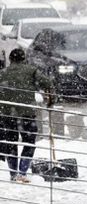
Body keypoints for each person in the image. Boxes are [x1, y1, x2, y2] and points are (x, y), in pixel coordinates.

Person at [0, 48, 53, 183]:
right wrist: (50, 100)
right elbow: (48, 83)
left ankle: (13, 173)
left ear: (10, 60)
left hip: (7, 114)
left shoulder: (3, 73)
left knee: (11, 143)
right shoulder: (32, 71)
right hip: (26, 114)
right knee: (29, 142)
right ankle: (22, 172)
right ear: (24, 59)